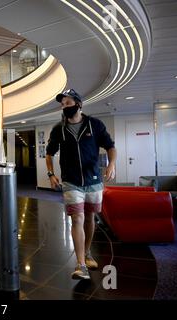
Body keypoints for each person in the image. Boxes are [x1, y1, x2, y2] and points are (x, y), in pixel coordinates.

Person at [45, 89, 117, 280]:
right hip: (71, 181)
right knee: (77, 218)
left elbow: (110, 146)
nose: (64, 107)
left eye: (68, 103)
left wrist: (111, 164)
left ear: (79, 104)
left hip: (93, 180)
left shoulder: (95, 125)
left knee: (89, 217)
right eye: (62, 104)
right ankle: (81, 265)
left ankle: (86, 253)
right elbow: (49, 153)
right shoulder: (58, 129)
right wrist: (51, 174)